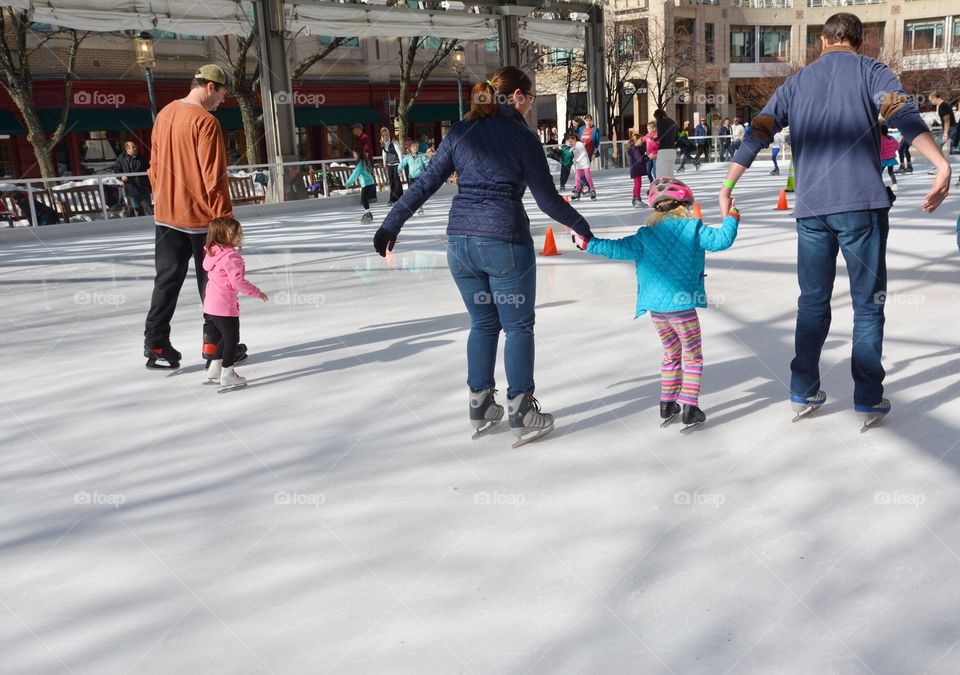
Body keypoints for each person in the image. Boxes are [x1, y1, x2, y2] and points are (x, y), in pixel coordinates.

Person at [719, 12, 951, 428]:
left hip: (811, 210)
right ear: (859, 42)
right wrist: (940, 164)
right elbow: (902, 115)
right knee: (867, 303)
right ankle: (867, 397)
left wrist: (728, 184)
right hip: (860, 205)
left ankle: (803, 388)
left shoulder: (796, 83)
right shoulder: (871, 70)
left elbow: (759, 130)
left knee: (812, 302)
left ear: (823, 42)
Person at [372, 66, 595, 447]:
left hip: (460, 244)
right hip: (504, 240)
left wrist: (390, 224)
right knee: (518, 327)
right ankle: (522, 411)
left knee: (483, 323)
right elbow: (546, 199)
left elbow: (425, 182)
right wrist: (580, 225)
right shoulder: (522, 138)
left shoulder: (460, 132)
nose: (529, 105)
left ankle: (480, 403)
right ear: (519, 97)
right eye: (530, 97)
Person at [571, 177, 740, 428]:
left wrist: (588, 243)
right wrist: (733, 215)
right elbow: (722, 240)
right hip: (682, 307)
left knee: (671, 354)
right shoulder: (693, 229)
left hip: (657, 311)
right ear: (684, 204)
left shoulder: (644, 236)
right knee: (692, 357)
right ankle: (690, 407)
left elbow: (615, 248)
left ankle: (667, 402)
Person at [144, 64, 238, 371]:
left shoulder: (165, 114)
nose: (223, 100)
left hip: (166, 216)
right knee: (213, 282)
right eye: (222, 93)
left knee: (166, 280)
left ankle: (156, 341)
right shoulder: (206, 122)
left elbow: (154, 165)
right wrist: (225, 224)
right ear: (210, 87)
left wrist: (162, 198)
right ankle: (215, 344)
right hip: (201, 219)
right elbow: (214, 178)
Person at [201, 217, 268, 392]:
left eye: (240, 233)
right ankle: (228, 373)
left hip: (211, 304)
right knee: (232, 339)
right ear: (222, 235)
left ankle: (214, 370)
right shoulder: (231, 257)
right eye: (234, 234)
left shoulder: (214, 252)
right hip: (224, 305)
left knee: (225, 337)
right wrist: (256, 292)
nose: (239, 236)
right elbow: (237, 281)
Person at [107, 140, 152, 216]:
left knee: (148, 206)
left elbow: (149, 167)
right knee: (137, 207)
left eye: (136, 146)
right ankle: (140, 223)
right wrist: (121, 176)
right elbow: (116, 169)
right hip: (131, 187)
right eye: (133, 147)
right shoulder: (122, 158)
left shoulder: (142, 157)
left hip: (143, 186)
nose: (135, 148)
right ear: (127, 149)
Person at [398, 141, 430, 215]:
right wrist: (399, 170)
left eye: (417, 146)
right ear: (410, 148)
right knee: (411, 193)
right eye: (414, 147)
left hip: (420, 177)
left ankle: (420, 207)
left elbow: (428, 162)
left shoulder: (422, 156)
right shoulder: (408, 157)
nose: (415, 148)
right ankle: (412, 207)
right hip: (411, 177)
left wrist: (428, 169)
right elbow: (402, 164)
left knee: (418, 193)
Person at [345, 148, 377, 224]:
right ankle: (368, 213)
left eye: (354, 154)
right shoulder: (364, 161)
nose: (353, 156)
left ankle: (368, 214)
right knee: (364, 199)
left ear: (358, 154)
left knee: (363, 199)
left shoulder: (360, 163)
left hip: (367, 184)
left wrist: (348, 183)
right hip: (369, 183)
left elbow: (355, 174)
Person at [927, 92, 955, 176]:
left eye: (931, 100)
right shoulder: (942, 106)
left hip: (950, 129)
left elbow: (947, 120)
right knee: (937, 145)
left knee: (937, 145)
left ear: (936, 98)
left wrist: (945, 133)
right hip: (950, 129)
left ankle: (940, 166)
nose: (931, 102)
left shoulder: (943, 106)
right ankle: (940, 166)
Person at [380, 127, 404, 205]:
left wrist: (401, 165)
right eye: (383, 135)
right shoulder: (383, 145)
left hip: (397, 164)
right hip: (390, 165)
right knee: (392, 181)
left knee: (396, 181)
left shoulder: (394, 143)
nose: (385, 137)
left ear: (389, 135)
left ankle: (394, 198)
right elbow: (384, 154)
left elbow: (399, 154)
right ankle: (397, 197)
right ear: (382, 136)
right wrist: (384, 163)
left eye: (386, 135)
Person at [654, 109, 679, 178]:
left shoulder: (660, 122)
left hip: (663, 151)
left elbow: (661, 136)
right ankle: (671, 188)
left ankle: (663, 189)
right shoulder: (673, 122)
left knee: (661, 175)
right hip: (673, 151)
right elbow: (677, 138)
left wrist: (654, 139)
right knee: (670, 174)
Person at [571, 133, 596, 200]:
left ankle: (592, 190)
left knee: (587, 176)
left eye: (571, 141)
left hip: (585, 163)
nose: (570, 142)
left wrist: (577, 160)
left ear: (575, 139)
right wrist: (574, 160)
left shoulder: (579, 144)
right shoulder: (573, 146)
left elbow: (583, 153)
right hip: (579, 165)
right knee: (577, 178)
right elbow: (576, 155)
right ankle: (577, 191)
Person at [626, 134, 647, 207]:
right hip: (636, 170)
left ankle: (634, 198)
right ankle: (637, 199)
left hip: (635, 170)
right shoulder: (634, 150)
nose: (642, 141)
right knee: (638, 185)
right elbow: (640, 160)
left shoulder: (634, 148)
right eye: (640, 140)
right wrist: (648, 157)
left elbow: (642, 149)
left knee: (636, 185)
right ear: (636, 141)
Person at [880, 124, 899, 190]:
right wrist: (892, 151)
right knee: (890, 172)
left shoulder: (879, 140)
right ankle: (895, 184)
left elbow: (879, 149)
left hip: (883, 159)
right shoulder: (891, 137)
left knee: (879, 173)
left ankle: (879, 185)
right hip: (891, 158)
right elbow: (897, 145)